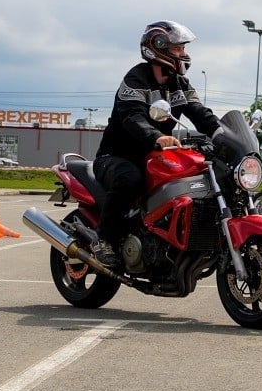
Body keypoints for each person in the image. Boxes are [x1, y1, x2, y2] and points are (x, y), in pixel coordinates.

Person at [91, 20, 221, 267]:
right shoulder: (135, 79)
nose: (184, 53)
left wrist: (221, 134)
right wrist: (156, 137)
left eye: (183, 48)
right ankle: (104, 240)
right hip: (116, 157)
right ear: (159, 47)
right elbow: (132, 116)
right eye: (178, 48)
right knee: (130, 179)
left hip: (155, 157)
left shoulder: (179, 84)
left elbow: (199, 112)